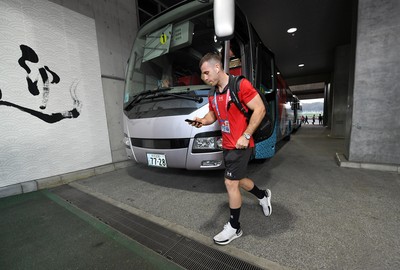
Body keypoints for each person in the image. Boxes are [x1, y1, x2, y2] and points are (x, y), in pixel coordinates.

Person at [189, 53, 272, 245]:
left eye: (206, 73)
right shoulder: (213, 93)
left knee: (230, 182)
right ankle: (263, 195)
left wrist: (246, 135)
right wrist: (203, 121)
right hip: (227, 145)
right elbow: (213, 115)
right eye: (202, 75)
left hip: (241, 144)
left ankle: (235, 227)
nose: (204, 78)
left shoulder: (240, 85)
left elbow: (260, 109)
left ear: (217, 67)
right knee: (239, 179)